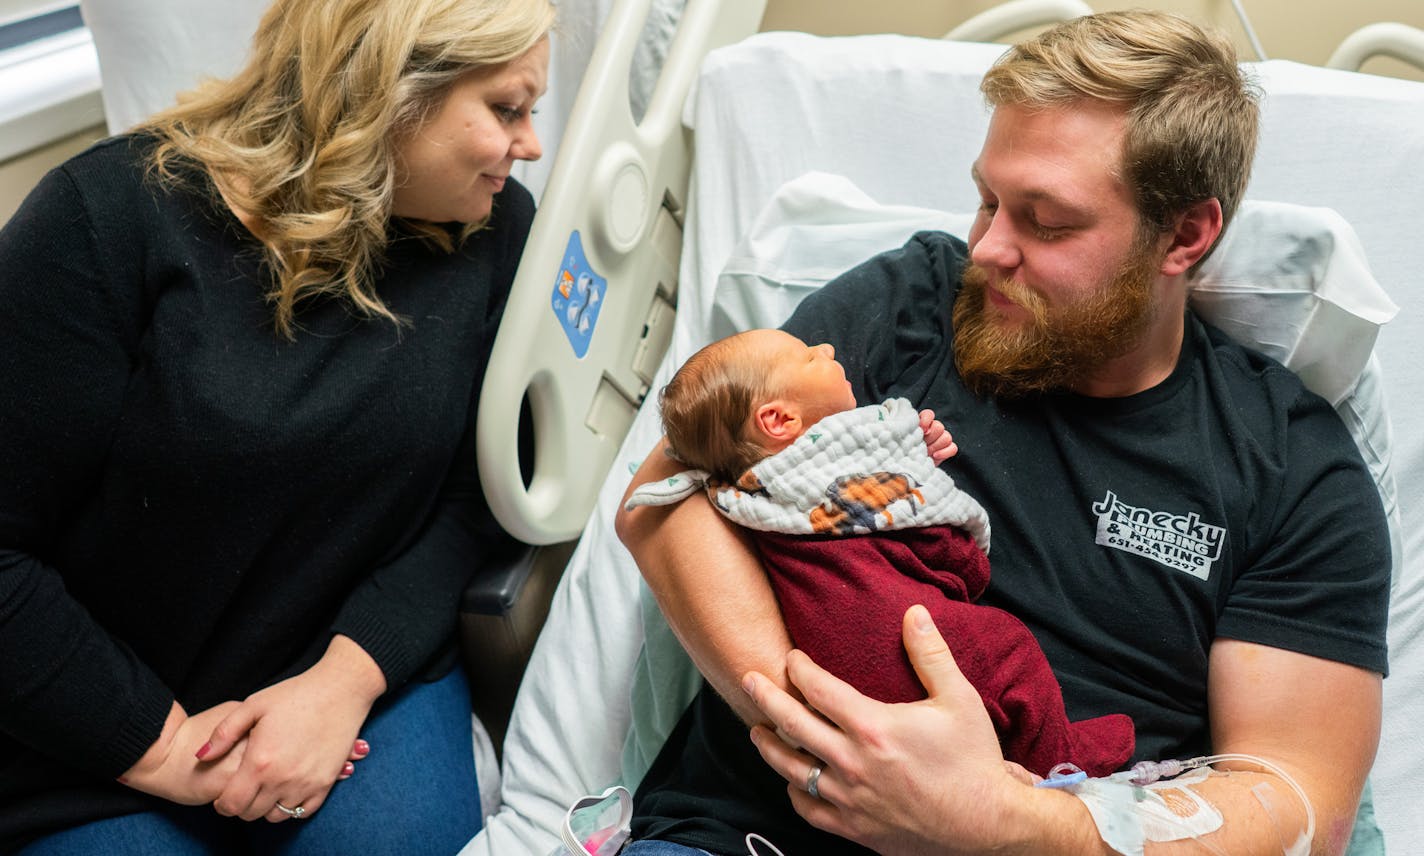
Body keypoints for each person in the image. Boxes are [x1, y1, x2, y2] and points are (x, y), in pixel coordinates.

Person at [616, 10, 1389, 856]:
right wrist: (832, 741)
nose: (986, 247)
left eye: (1046, 221)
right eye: (986, 198)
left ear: (1185, 234)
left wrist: (994, 822)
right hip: (751, 834)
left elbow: (1295, 800)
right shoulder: (901, 309)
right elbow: (665, 498)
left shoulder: (1288, 467)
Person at [0, 0, 553, 852]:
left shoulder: (492, 233)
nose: (531, 146)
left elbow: (471, 505)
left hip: (354, 668)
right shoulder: (106, 222)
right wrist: (162, 746)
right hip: (98, 713)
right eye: (507, 109)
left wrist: (345, 679)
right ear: (389, 94)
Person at [626, 328, 1135, 783]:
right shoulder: (829, 494)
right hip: (885, 651)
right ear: (779, 419)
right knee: (1009, 652)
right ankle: (1060, 763)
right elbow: (944, 557)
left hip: (831, 661)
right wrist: (935, 508)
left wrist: (910, 457)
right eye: (808, 357)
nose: (826, 345)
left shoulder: (754, 492)